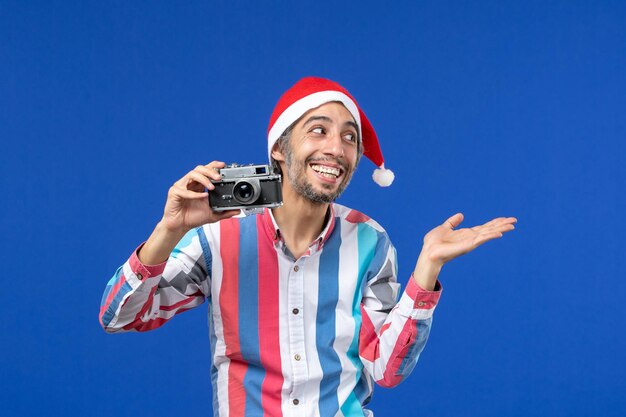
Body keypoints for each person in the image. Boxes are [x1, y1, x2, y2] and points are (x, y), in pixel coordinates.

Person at [99, 77, 516, 416]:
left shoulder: (370, 241)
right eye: (318, 130)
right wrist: (168, 230)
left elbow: (386, 370)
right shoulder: (217, 237)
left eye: (349, 137)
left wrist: (428, 267)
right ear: (279, 149)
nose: (336, 147)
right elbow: (118, 316)